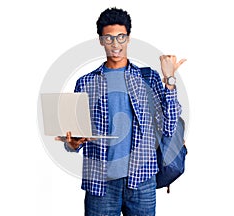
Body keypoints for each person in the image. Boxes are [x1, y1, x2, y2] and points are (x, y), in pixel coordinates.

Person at [55, 7, 186, 216]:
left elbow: (169, 126)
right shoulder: (85, 83)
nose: (115, 44)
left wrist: (169, 80)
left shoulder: (148, 78)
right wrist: (72, 144)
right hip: (100, 185)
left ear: (128, 38)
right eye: (108, 38)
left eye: (120, 37)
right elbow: (75, 139)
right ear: (100, 40)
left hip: (142, 181)